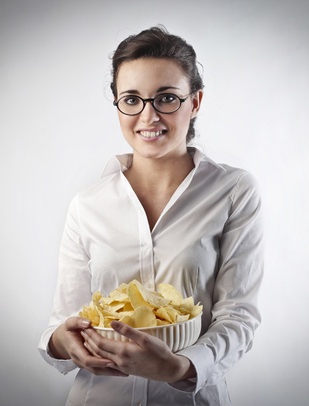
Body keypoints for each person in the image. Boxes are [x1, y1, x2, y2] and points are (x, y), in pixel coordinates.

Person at [38, 25, 264, 406]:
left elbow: (239, 316)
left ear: (195, 102)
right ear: (117, 104)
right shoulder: (87, 204)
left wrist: (180, 367)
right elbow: (63, 322)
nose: (148, 114)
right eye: (132, 99)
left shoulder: (234, 191)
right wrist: (63, 342)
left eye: (167, 98)